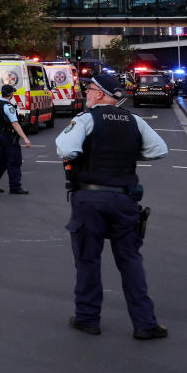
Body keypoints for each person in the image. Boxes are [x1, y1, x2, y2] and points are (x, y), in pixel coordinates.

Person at [57, 71, 169, 340]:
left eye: (89, 90)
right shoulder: (134, 121)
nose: (86, 94)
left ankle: (88, 318)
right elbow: (159, 150)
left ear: (99, 93)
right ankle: (145, 323)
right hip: (124, 199)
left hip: (90, 199)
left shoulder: (86, 119)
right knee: (130, 260)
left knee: (88, 260)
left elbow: (66, 150)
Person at [0, 83, 31, 194]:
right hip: (9, 137)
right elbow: (15, 124)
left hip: (1, 135)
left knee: (1, 161)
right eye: (13, 92)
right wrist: (25, 138)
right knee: (14, 161)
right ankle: (15, 187)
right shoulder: (8, 107)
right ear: (10, 94)